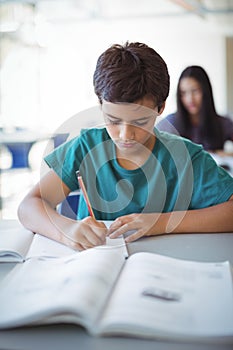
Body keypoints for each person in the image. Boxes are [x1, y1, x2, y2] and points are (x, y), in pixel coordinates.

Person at [18, 42, 233, 251]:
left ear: (160, 108)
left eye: (140, 122)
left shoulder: (186, 158)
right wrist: (65, 229)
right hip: (93, 267)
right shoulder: (86, 148)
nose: (125, 135)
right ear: (100, 104)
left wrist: (162, 223)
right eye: (113, 120)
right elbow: (29, 206)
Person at [156, 65, 233, 153]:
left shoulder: (223, 123)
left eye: (195, 91)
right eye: (184, 93)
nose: (190, 99)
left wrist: (224, 154)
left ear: (206, 91)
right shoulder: (169, 124)